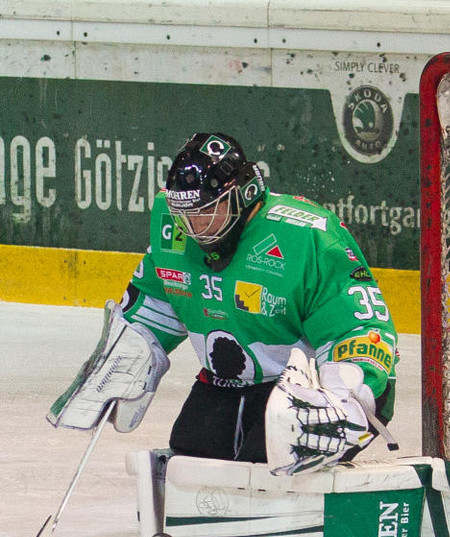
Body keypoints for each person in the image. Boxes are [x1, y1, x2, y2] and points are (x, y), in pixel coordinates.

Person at [49, 132, 398, 475]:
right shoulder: (174, 228)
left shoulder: (306, 235)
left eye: (207, 211)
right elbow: (157, 301)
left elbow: (359, 325)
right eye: (186, 215)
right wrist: (126, 355)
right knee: (190, 457)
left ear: (244, 194)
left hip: (308, 390)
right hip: (227, 383)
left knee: (271, 460)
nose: (195, 227)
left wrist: (345, 398)